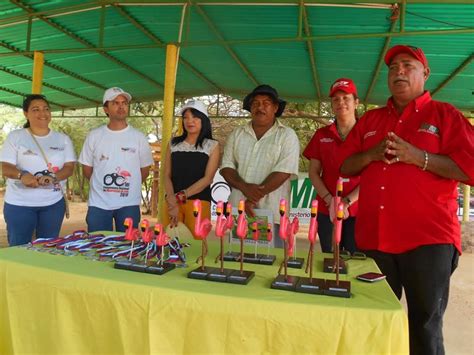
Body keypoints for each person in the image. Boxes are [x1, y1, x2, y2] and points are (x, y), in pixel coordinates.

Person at [339, 45, 474, 354]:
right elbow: (346, 166)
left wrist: (420, 157)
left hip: (428, 241)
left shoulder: (445, 115)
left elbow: (471, 168)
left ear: (425, 73)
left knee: (424, 329)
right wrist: (371, 155)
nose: (398, 71)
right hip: (374, 239)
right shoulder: (370, 121)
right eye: (393, 67)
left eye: (407, 65)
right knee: (371, 324)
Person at [220, 84, 299, 247]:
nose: (260, 107)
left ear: (276, 108)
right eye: (255, 103)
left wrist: (252, 197)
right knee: (237, 263)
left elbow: (283, 172)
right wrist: (244, 186)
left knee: (269, 265)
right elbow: (227, 167)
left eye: (266, 103)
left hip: (272, 214)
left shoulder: (287, 135)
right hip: (239, 212)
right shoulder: (237, 134)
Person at [0, 94, 76, 246]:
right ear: (26, 113)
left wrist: (54, 178)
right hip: (20, 205)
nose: (42, 113)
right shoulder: (16, 137)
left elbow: (69, 168)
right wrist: (22, 175)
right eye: (35, 109)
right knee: (19, 248)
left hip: (53, 204)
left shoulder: (62, 139)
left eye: (46, 109)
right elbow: (5, 167)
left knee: (47, 248)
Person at [79, 87, 153, 232]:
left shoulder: (139, 137)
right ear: (105, 109)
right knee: (98, 246)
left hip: (129, 204)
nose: (121, 107)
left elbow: (144, 171)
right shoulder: (94, 136)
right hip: (99, 204)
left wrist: (127, 187)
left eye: (124, 103)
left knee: (126, 247)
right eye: (115, 103)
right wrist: (103, 187)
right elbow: (87, 170)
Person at [303, 78, 360, 253]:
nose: (341, 103)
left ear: (356, 103)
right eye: (336, 99)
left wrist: (346, 202)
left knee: (355, 259)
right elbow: (313, 172)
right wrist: (331, 201)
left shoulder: (367, 133)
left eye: (346, 98)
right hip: (326, 209)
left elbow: (373, 174)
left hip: (359, 209)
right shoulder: (322, 134)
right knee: (330, 259)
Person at [163, 100, 219, 237]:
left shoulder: (212, 145)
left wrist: (179, 197)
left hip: (198, 203)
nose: (190, 121)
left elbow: (208, 179)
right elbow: (166, 174)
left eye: (195, 117)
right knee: (168, 242)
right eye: (186, 117)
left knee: (195, 246)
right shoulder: (173, 144)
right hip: (171, 204)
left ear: (204, 120)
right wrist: (172, 200)